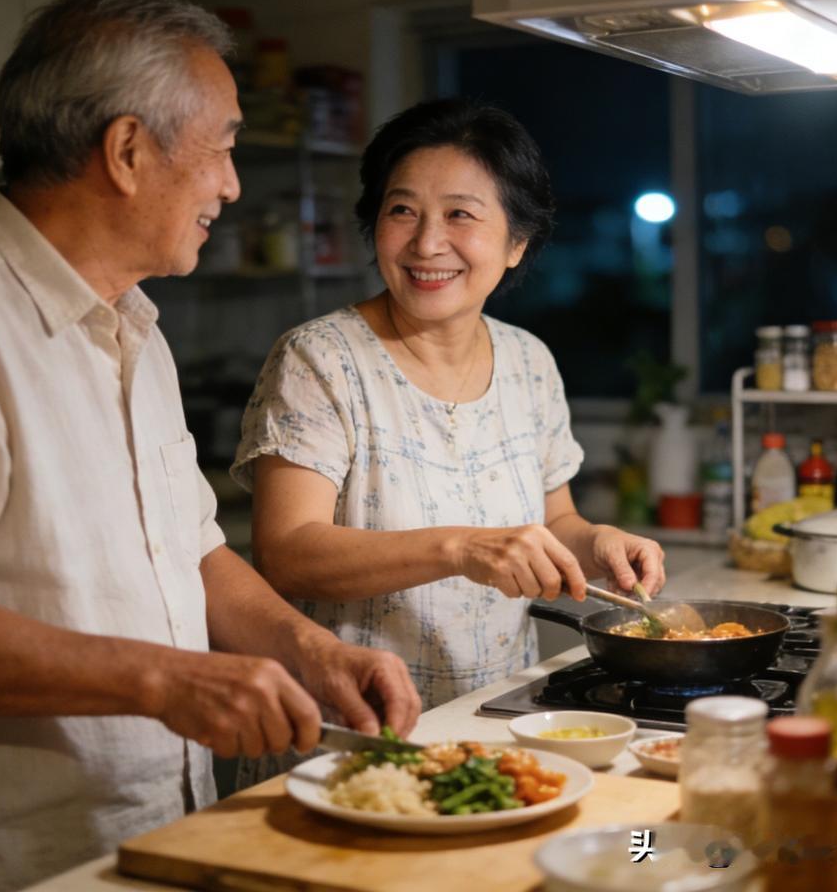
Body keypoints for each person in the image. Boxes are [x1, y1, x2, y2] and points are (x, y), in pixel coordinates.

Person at [0, 0, 419, 892]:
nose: (231, 182)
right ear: (129, 151)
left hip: (150, 837)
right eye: (220, 146)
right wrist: (167, 682)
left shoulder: (134, 326)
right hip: (2, 865)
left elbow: (192, 550)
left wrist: (313, 651)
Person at [231, 99, 665, 755]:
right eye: (402, 210)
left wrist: (596, 541)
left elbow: (553, 523)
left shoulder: (529, 361)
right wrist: (460, 549)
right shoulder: (320, 359)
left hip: (496, 722)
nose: (427, 243)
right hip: (356, 735)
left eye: (460, 214)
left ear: (517, 242)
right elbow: (286, 554)